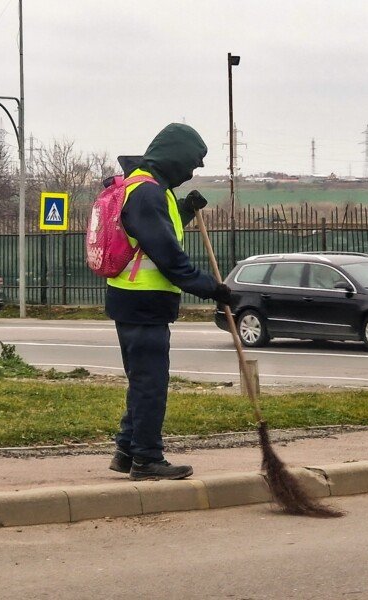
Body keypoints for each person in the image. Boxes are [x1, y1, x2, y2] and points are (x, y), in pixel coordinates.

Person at [105, 123, 232, 481]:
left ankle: (127, 450)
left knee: (142, 381)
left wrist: (186, 211)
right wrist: (212, 288)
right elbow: (167, 256)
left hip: (134, 300)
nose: (192, 172)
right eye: (191, 163)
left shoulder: (146, 188)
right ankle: (147, 459)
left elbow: (152, 235)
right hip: (143, 302)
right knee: (151, 384)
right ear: (174, 157)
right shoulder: (147, 192)